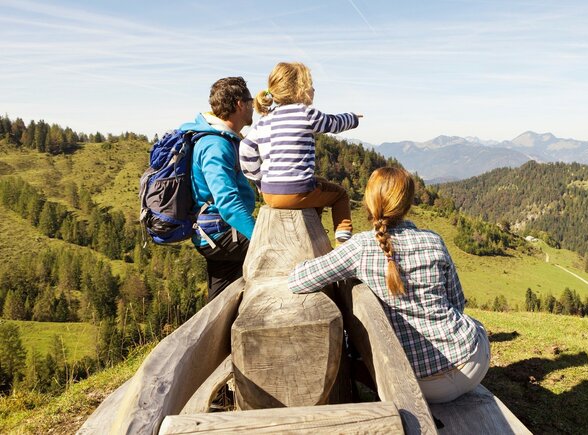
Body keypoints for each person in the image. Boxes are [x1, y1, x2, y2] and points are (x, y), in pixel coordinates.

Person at [288, 167, 490, 403]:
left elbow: (298, 280)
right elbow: (457, 304)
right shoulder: (434, 240)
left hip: (417, 384)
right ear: (407, 204)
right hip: (472, 367)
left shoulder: (361, 247)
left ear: (369, 202)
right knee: (477, 327)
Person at [239, 62, 361, 243]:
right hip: (298, 191)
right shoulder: (305, 113)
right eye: (310, 85)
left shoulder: (265, 120)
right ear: (300, 89)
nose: (313, 89)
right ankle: (343, 237)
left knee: (321, 183)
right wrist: (353, 118)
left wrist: (260, 180)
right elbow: (333, 123)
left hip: (270, 195)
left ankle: (315, 226)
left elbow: (246, 149)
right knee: (340, 195)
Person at [180, 76, 257, 301]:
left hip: (213, 233)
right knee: (285, 254)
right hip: (221, 234)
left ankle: (216, 333)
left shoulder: (222, 138)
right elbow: (228, 203)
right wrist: (259, 237)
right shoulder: (216, 145)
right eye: (250, 101)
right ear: (239, 104)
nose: (253, 106)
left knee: (221, 300)